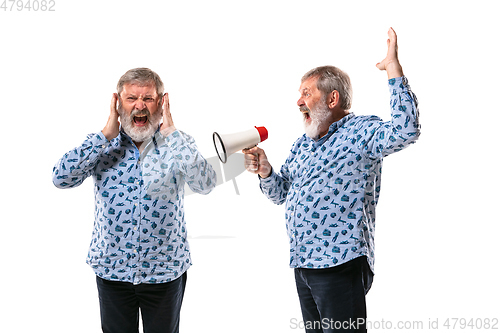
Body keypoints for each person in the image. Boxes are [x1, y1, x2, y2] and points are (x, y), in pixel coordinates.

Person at [243, 28, 420, 332]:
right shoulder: (303, 143)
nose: (299, 101)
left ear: (333, 98)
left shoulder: (362, 131)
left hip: (340, 262)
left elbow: (406, 130)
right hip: (304, 264)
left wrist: (393, 69)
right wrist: (265, 170)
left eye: (307, 93)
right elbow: (281, 193)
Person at [52, 68, 216, 333]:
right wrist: (105, 133)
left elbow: (206, 184)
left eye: (148, 99)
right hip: (112, 273)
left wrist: (171, 131)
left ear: (162, 103)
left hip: (164, 273)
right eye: (131, 99)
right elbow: (60, 178)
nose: (140, 105)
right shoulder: (101, 145)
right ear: (118, 103)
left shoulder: (178, 143)